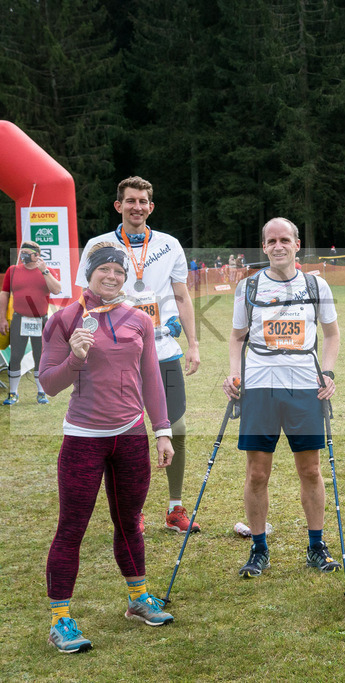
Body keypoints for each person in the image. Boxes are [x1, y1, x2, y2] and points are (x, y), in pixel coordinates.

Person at [40, 242, 175, 653]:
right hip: (83, 438)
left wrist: (163, 430)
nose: (112, 277)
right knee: (72, 528)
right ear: (89, 273)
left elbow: (151, 376)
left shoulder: (138, 318)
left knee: (130, 520)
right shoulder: (64, 319)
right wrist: (76, 357)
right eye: (104, 270)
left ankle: (138, 599)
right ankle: (60, 619)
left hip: (131, 436)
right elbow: (48, 382)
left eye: (118, 271)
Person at [76, 177, 201, 535]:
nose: (137, 206)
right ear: (119, 206)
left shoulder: (168, 245)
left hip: (163, 350)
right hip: (117, 355)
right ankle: (133, 511)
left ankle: (175, 507)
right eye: (130, 200)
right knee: (127, 434)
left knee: (175, 427)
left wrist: (192, 343)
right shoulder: (98, 245)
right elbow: (87, 297)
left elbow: (181, 295)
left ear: (151, 206)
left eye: (143, 201)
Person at [223, 217, 342, 578]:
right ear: (264, 246)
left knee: (310, 469)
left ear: (296, 244)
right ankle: (259, 549)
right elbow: (236, 337)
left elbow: (332, 334)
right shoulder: (248, 287)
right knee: (258, 473)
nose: (278, 246)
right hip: (260, 387)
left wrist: (329, 372)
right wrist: (234, 373)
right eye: (271, 240)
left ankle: (316, 546)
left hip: (304, 386)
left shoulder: (315, 285)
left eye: (284, 240)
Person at [1, 240, 62, 405]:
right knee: (15, 357)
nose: (23, 256)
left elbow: (57, 289)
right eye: (22, 252)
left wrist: (45, 271)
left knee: (40, 357)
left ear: (37, 255)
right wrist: (1, 318)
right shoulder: (12, 270)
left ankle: (41, 393)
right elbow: (4, 294)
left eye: (28, 253)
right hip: (19, 319)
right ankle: (13, 394)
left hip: (40, 320)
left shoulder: (48, 271)